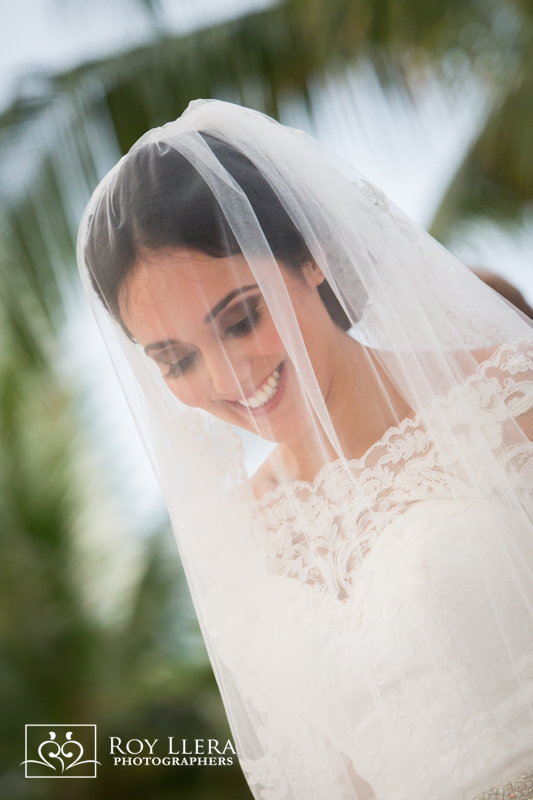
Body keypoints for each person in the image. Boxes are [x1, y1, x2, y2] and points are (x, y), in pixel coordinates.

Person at [78, 99, 533, 800]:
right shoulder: (241, 538)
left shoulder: (506, 396)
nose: (228, 379)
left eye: (239, 318)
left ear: (311, 257)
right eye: (176, 360)